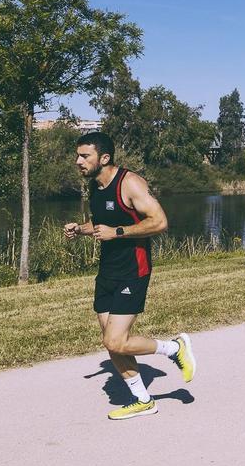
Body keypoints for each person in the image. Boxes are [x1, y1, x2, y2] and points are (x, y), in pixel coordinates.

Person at [64, 131, 196, 420]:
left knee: (115, 341)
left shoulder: (130, 183)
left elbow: (160, 222)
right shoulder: (96, 188)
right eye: (78, 155)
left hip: (133, 270)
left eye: (85, 156)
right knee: (110, 341)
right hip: (108, 270)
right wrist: (81, 229)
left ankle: (174, 348)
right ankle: (143, 400)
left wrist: (118, 233)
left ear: (105, 158)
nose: (78, 161)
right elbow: (103, 224)